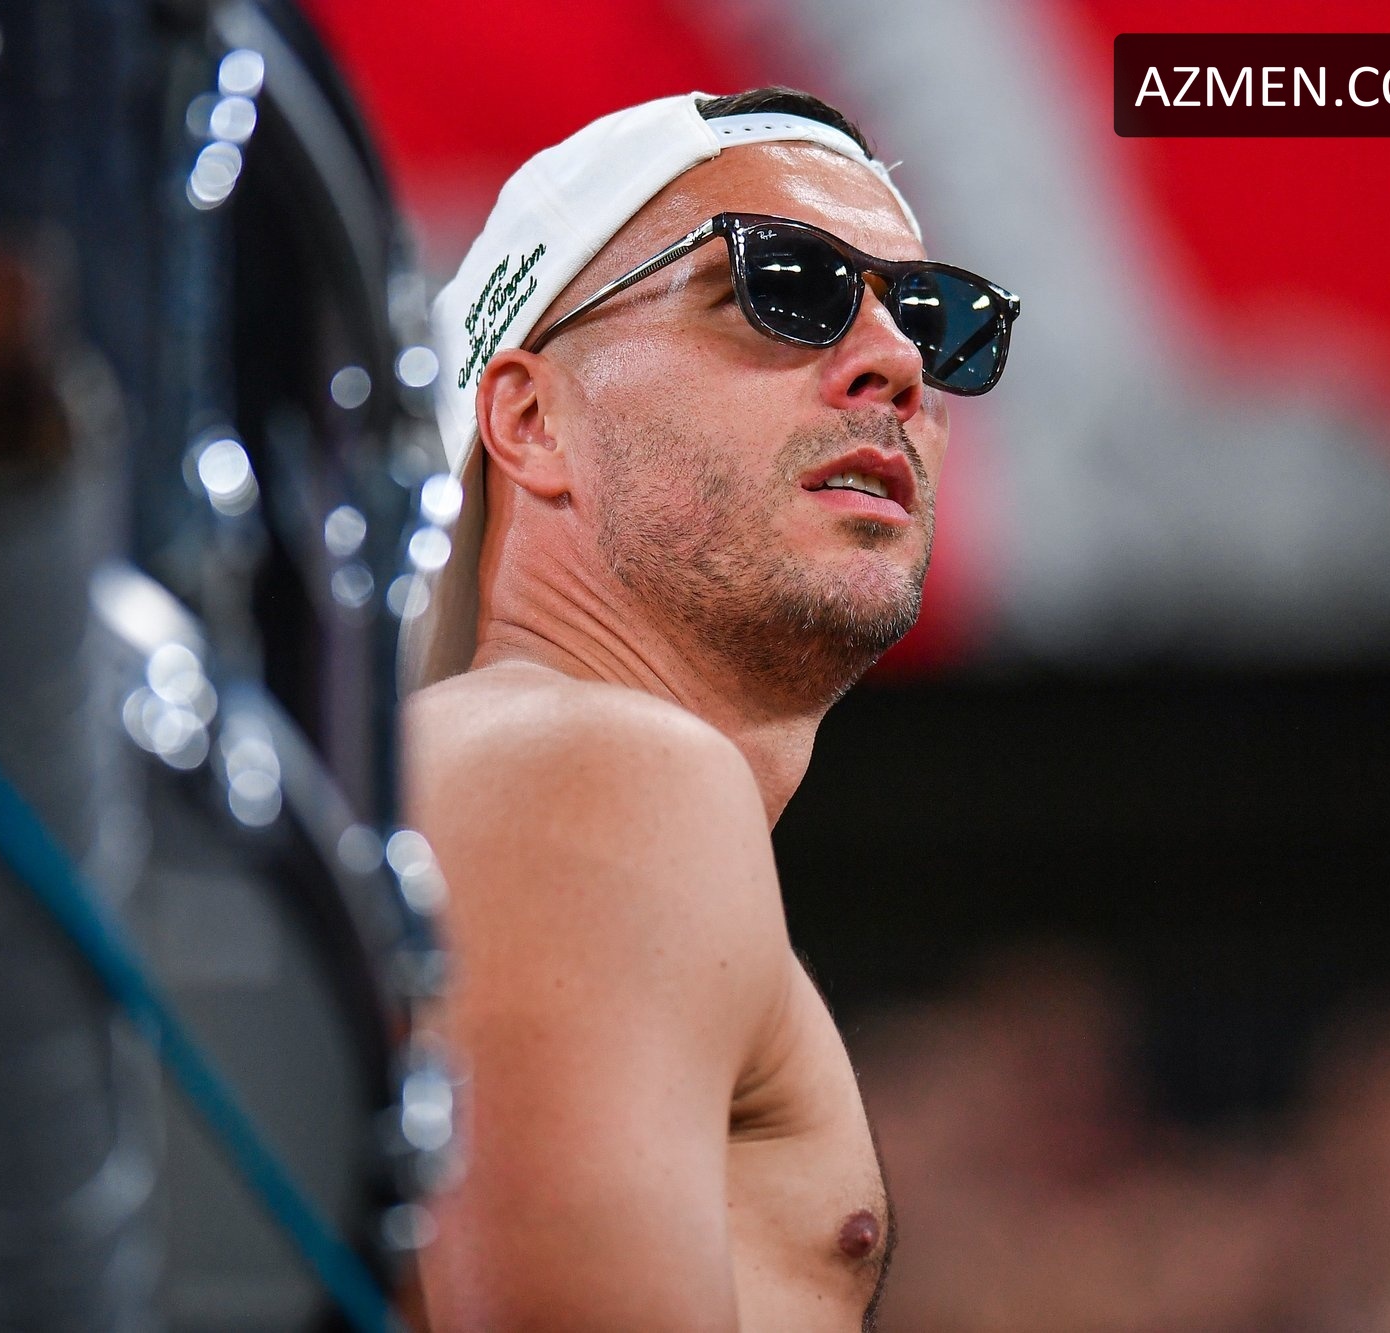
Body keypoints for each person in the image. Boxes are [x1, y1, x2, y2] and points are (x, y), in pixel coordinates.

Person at [396, 86, 1018, 1331]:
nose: (896, 363)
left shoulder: (502, 780)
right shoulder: (583, 767)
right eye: (783, 286)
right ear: (530, 420)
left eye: (933, 323)